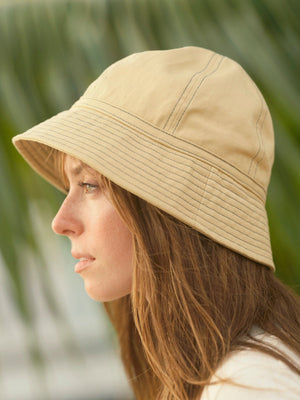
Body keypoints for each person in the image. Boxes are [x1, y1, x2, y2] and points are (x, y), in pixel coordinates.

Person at [13, 47, 300, 399]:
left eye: (89, 185)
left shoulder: (251, 384)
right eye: (69, 186)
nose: (61, 222)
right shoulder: (213, 372)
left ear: (166, 208)